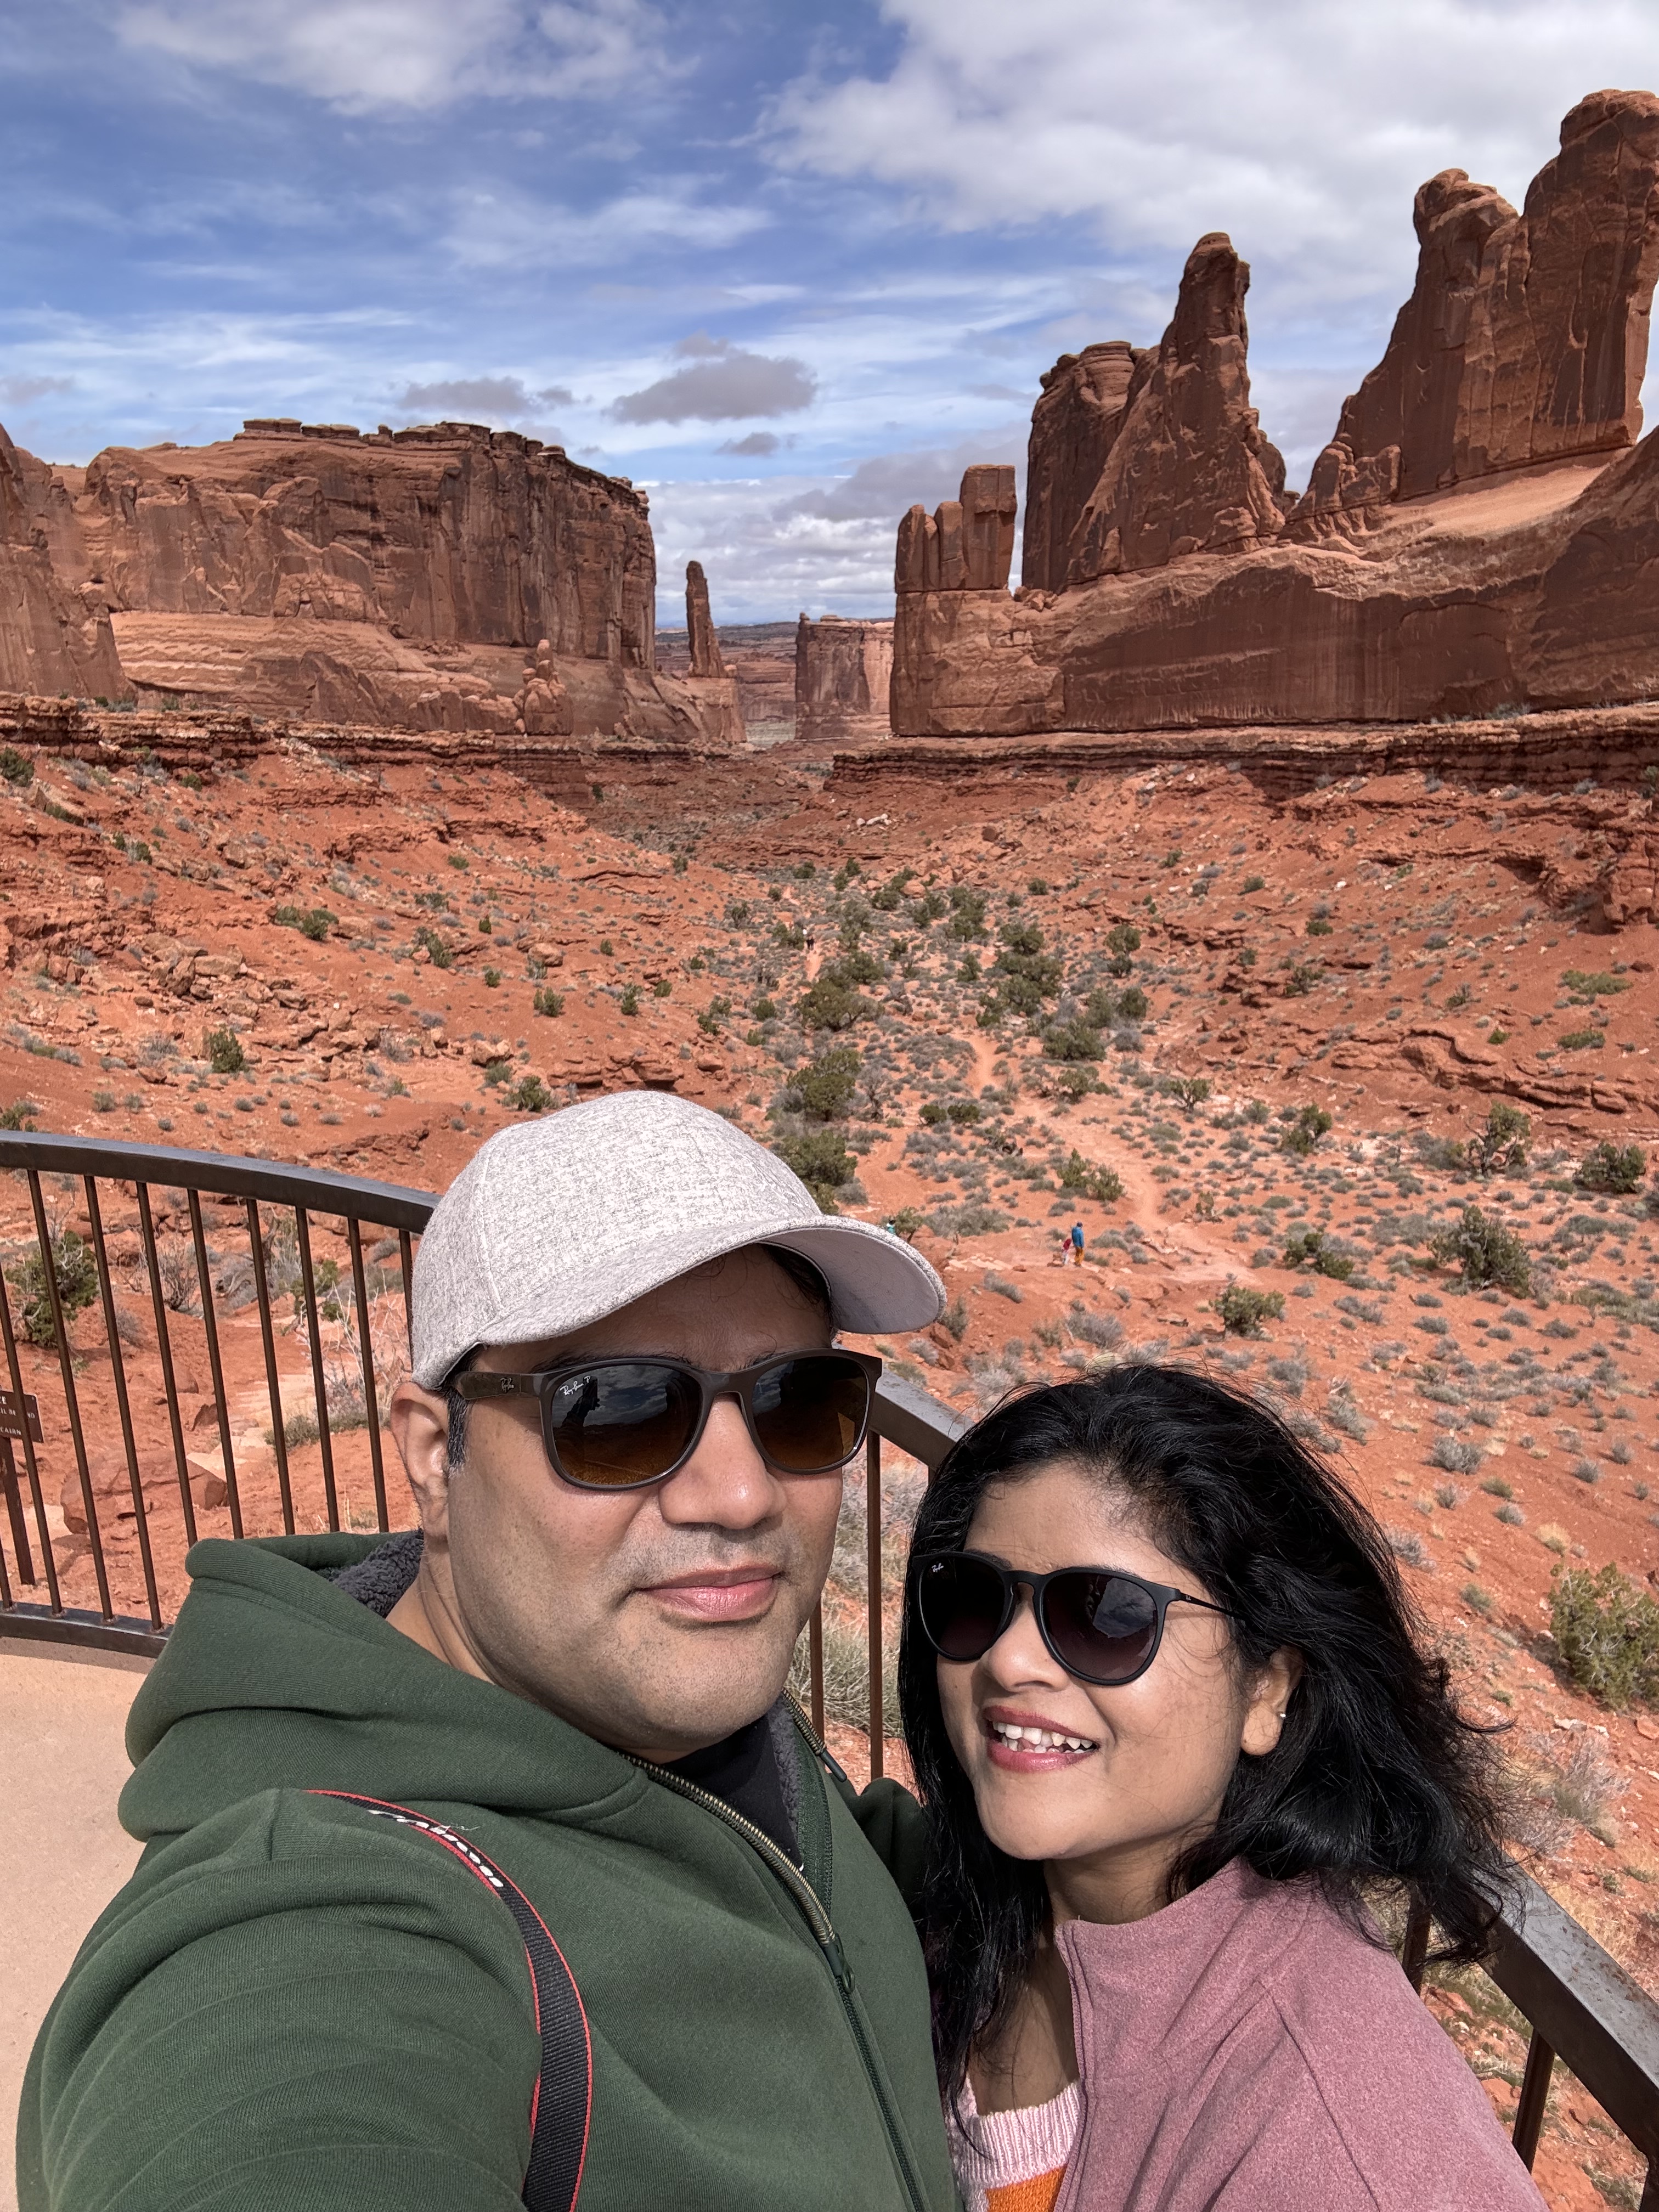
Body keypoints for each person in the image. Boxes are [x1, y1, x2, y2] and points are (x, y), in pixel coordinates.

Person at [20, 1092, 959, 2212]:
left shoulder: (678, 1707)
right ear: (433, 1456)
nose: (743, 1493)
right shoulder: (321, 1921)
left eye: (798, 1403)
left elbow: (814, 1866)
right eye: (619, 1412)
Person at [898, 1363, 1547, 2212]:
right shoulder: (976, 1900)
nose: (1008, 1660)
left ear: (1267, 1690)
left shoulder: (1342, 2154)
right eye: (976, 1598)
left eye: (1105, 1615)